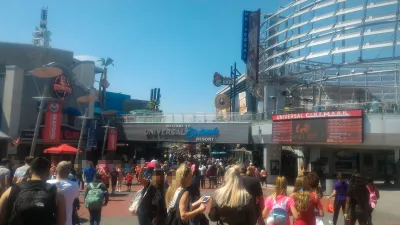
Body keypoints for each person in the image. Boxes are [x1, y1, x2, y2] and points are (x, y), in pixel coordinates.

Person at [0, 157, 66, 225]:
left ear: (30, 172)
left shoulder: (12, 190)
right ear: (48, 173)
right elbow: (62, 221)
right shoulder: (56, 192)